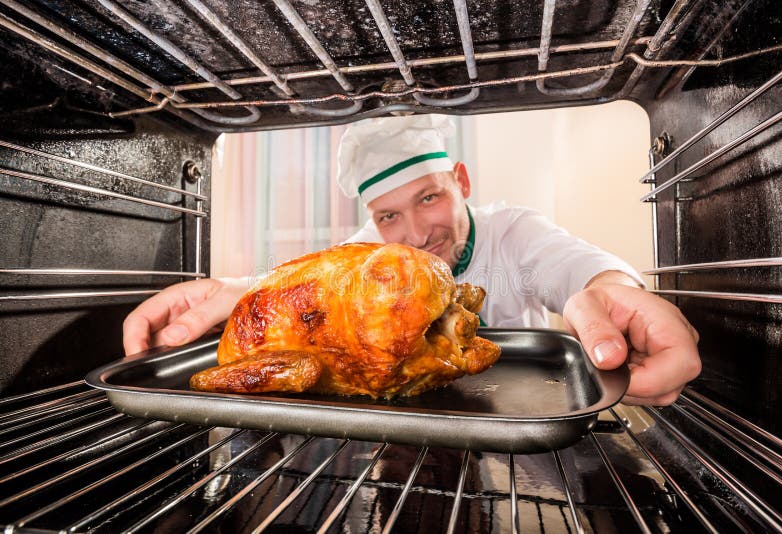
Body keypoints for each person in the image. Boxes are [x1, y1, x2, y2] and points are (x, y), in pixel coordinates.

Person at [123, 114, 700, 406]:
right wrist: (235, 288)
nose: (416, 234)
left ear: (461, 181)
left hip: (509, 421)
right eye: (389, 215)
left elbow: (576, 269)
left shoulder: (513, 232)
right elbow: (308, 287)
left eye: (429, 197)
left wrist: (614, 289)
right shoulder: (371, 257)